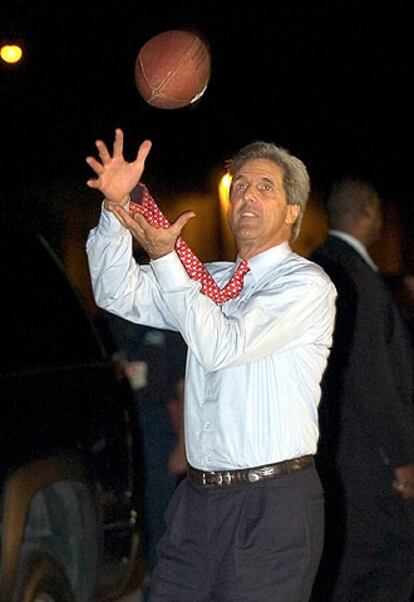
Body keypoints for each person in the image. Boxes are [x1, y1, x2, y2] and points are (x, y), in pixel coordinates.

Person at [85, 128, 337, 601]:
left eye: (265, 187)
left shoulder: (305, 285)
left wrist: (166, 260)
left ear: (292, 211)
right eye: (239, 184)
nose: (246, 194)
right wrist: (118, 209)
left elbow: (221, 344)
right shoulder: (211, 278)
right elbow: (115, 291)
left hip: (271, 503)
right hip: (199, 501)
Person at [310, 177, 414, 602]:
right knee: (385, 567)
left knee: (341, 566)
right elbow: (373, 379)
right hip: (370, 462)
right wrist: (403, 460)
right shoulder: (360, 282)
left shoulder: (314, 268)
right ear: (367, 214)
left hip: (330, 453)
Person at [96, 305, 187, 601]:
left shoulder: (166, 323)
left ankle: (157, 588)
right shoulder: (105, 323)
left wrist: (183, 445)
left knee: (159, 512)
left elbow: (184, 386)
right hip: (114, 430)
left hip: (156, 427)